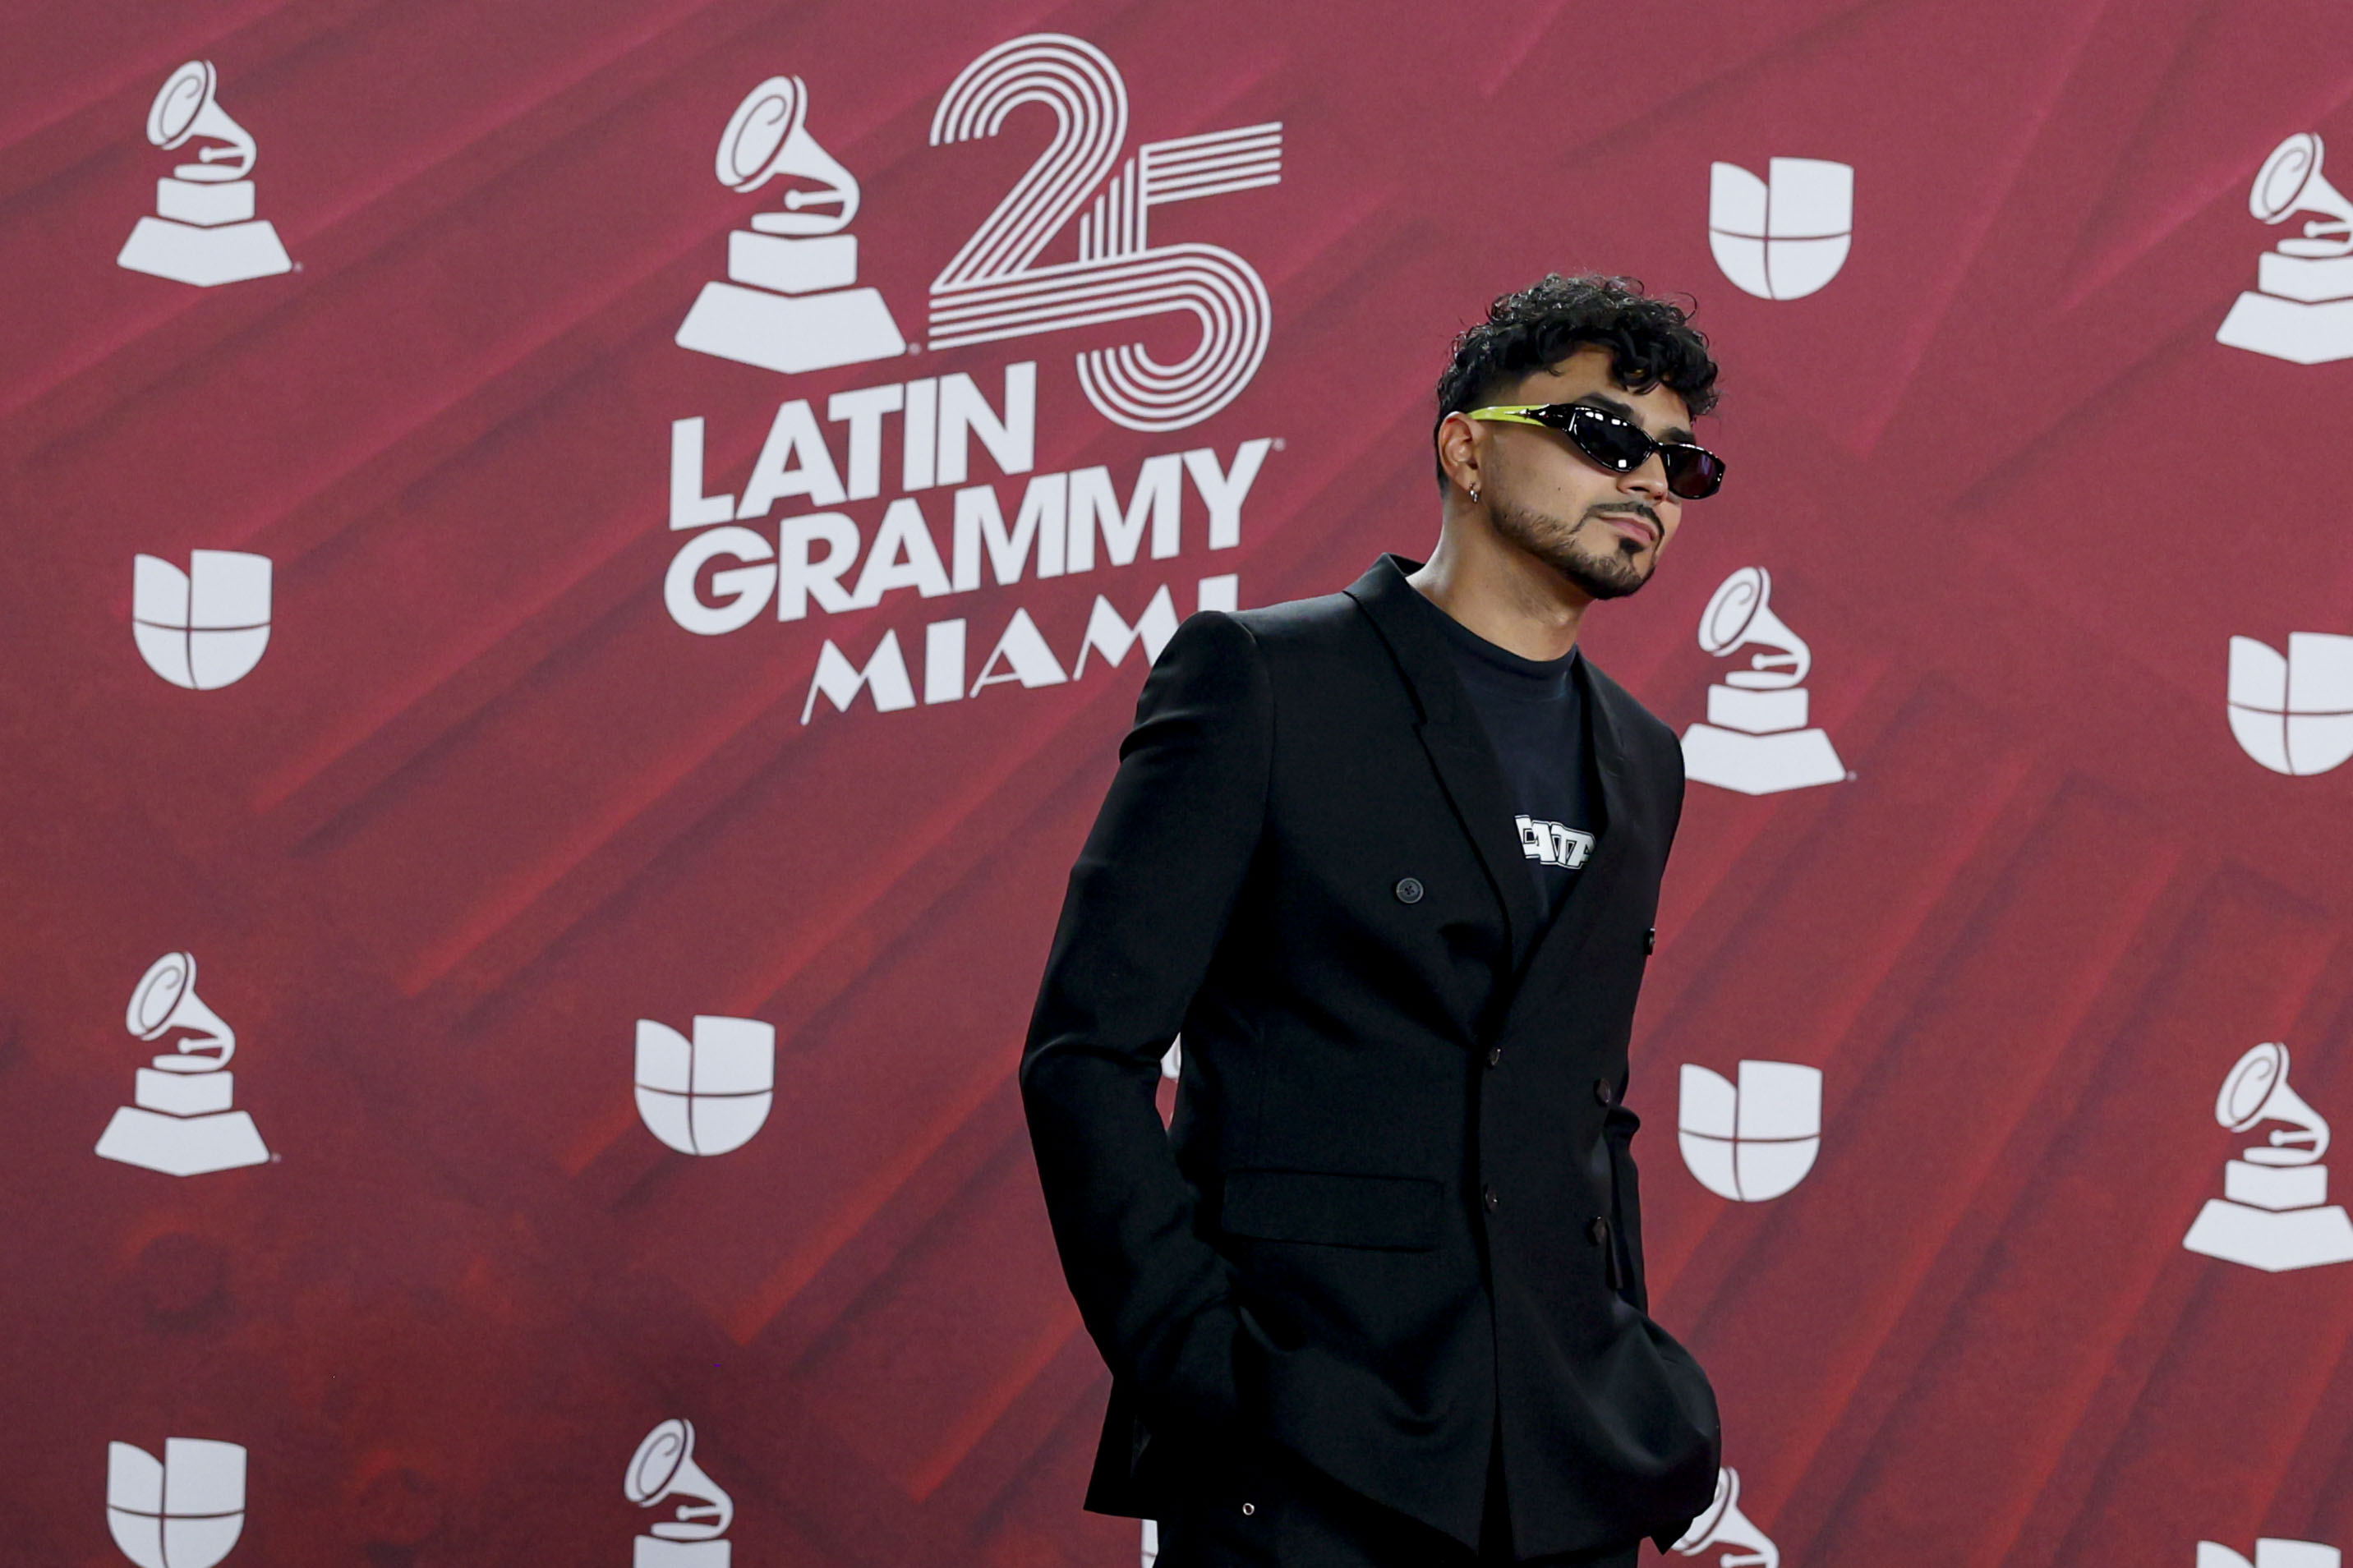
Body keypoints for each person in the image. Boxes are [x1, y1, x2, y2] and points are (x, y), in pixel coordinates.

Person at [1021, 274, 1727, 1567]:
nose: (1650, 483)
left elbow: (1586, 1104)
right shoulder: (1263, 679)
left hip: (1563, 1466)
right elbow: (1084, 1058)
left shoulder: (1646, 758)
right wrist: (1207, 1367)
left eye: (1680, 460)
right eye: (1604, 437)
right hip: (1308, 1449)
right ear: (1467, 445)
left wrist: (1625, 1361)